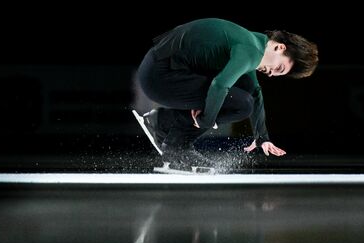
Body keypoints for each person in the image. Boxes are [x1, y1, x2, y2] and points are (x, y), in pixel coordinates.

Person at [134, 18, 318, 169]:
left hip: (157, 69)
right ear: (280, 47)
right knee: (241, 104)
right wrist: (207, 119)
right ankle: (176, 145)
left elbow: (255, 92)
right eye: (279, 67)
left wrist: (262, 138)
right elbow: (220, 85)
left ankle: (163, 121)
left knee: (245, 97)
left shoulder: (253, 41)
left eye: (278, 74)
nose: (271, 73)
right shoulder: (251, 50)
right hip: (160, 77)